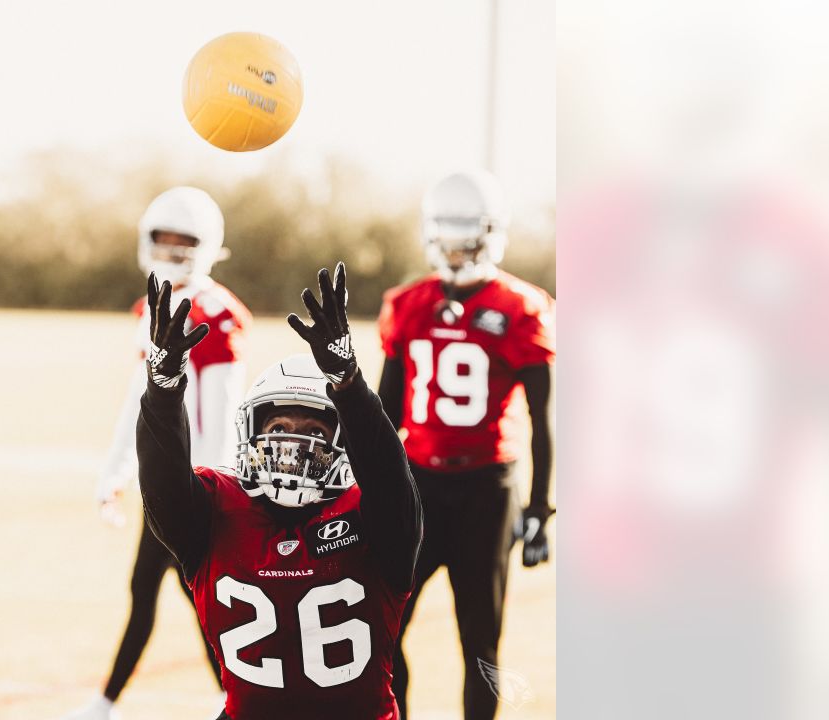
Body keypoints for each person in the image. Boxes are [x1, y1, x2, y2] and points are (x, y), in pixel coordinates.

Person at [137, 263, 422, 720]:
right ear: (251, 433)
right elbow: (161, 479)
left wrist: (348, 382)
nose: (293, 445)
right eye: (279, 427)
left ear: (342, 444)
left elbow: (389, 477)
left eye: (313, 429)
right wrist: (163, 387)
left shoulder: (373, 517)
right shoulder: (215, 508)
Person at [62, 187, 249, 720]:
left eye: (182, 241)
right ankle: (225, 698)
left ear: (207, 246)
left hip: (196, 485)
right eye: (162, 239)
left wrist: (212, 488)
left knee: (186, 597)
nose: (170, 250)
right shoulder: (152, 304)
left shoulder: (217, 311)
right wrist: (117, 469)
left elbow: (223, 414)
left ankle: (112, 703)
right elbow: (138, 400)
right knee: (171, 594)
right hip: (167, 479)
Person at [379, 171, 555, 720]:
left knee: (480, 645)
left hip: (486, 488)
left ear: (490, 236)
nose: (456, 251)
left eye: (467, 238)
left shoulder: (521, 307)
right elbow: (383, 414)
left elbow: (543, 420)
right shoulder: (408, 303)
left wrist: (539, 506)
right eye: (448, 238)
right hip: (418, 486)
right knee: (384, 634)